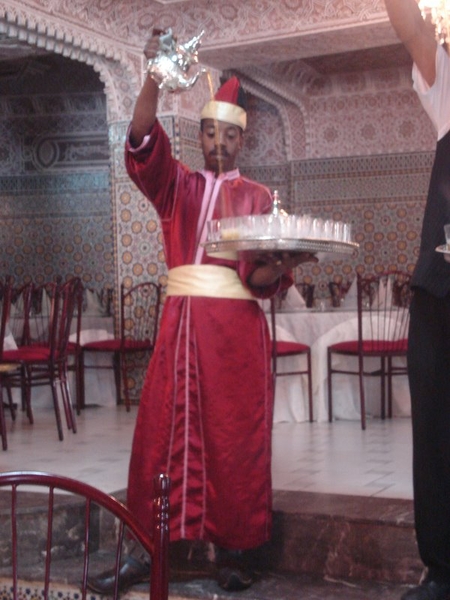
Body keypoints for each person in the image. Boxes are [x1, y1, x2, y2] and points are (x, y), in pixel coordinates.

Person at [88, 33, 316, 594]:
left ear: (243, 139)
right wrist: (153, 76)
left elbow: (259, 280)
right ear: (200, 135)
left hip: (235, 340)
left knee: (234, 439)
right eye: (211, 132)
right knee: (159, 437)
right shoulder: (178, 187)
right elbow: (142, 140)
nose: (219, 143)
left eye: (229, 135)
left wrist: (284, 263)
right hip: (179, 330)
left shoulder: (259, 198)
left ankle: (235, 549)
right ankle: (146, 548)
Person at [384, 2, 450, 599]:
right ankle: (443, 569)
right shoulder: (449, 85)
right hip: (441, 287)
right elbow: (407, 24)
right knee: (435, 430)